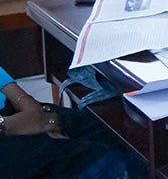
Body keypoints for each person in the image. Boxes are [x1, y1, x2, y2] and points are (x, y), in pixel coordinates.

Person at [0, 66, 146, 179]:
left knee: (110, 131)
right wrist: (8, 125)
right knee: (91, 159)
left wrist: (31, 108)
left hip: (11, 112)